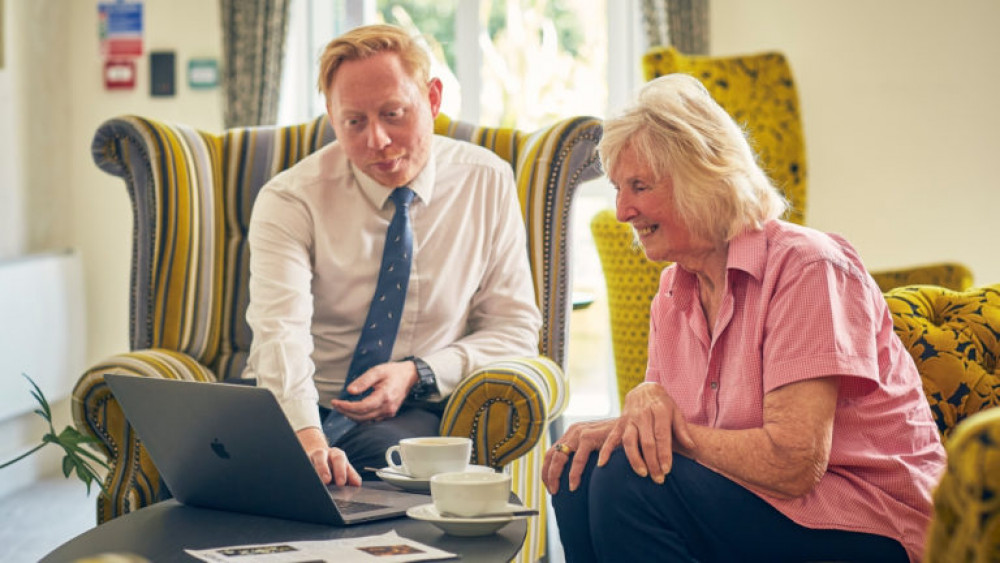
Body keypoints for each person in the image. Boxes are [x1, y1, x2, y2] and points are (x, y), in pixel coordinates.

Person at [542, 73, 945, 563]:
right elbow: (656, 433)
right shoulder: (672, 292)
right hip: (766, 506)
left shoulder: (807, 268)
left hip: (874, 522)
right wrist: (638, 409)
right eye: (617, 189)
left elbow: (794, 463)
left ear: (702, 179)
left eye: (639, 186)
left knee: (626, 477)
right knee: (578, 466)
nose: (623, 210)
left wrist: (666, 434)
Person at [243, 24, 541, 487]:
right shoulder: (290, 199)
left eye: (393, 114)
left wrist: (419, 373)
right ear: (331, 116)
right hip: (295, 401)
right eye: (354, 122)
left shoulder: (486, 181)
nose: (376, 140)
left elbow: (514, 328)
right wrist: (306, 437)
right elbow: (280, 331)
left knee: (393, 466)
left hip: (409, 410)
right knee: (201, 465)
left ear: (433, 99)